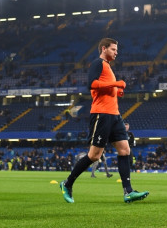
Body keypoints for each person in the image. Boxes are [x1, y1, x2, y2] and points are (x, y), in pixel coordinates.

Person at [59, 38, 148, 204]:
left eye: (116, 50)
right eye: (113, 49)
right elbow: (91, 84)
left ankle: (128, 192)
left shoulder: (108, 67)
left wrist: (115, 91)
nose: (116, 52)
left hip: (114, 114)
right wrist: (116, 83)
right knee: (94, 155)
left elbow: (104, 88)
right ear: (104, 48)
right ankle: (67, 183)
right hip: (102, 114)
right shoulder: (98, 63)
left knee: (125, 150)